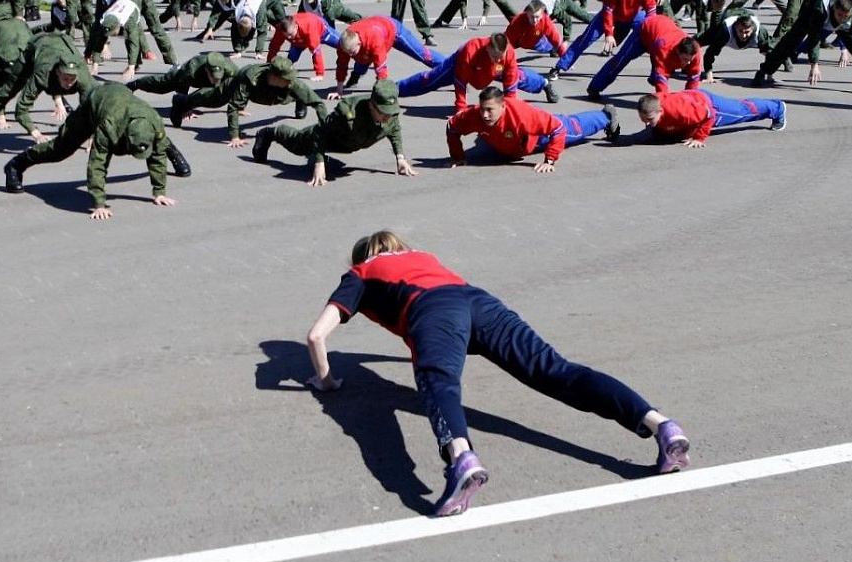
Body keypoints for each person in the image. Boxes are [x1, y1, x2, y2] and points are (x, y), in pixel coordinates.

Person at [300, 229, 690, 515]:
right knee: (556, 370)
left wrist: (327, 381)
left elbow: (316, 337)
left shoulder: (360, 273)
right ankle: (661, 425)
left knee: (439, 386)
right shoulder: (422, 256)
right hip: (479, 302)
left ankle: (461, 459)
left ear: (360, 257)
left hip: (432, 313)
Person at [1, 80, 192, 219]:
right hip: (95, 103)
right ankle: (17, 164)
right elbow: (98, 163)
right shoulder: (110, 127)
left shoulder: (155, 124)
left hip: (119, 97)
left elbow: (157, 157)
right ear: (125, 136)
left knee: (160, 150)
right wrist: (99, 203)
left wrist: (159, 191)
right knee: (60, 150)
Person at [251, 78, 412, 185]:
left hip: (349, 143)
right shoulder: (348, 114)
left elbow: (394, 130)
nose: (387, 116)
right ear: (371, 105)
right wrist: (319, 163)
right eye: (383, 112)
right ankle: (269, 133)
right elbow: (320, 133)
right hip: (330, 136)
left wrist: (400, 158)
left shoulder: (390, 115)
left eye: (390, 112)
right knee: (297, 145)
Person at [444, 86, 621, 171]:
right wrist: (458, 156)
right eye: (482, 109)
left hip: (536, 138)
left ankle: (605, 116)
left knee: (572, 127)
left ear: (503, 107)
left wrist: (549, 160)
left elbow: (557, 129)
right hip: (506, 144)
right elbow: (452, 127)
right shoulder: (475, 114)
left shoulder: (522, 115)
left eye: (489, 110)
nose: (484, 115)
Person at [749, 0, 852, 89]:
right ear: (834, 8)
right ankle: (764, 72)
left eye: (845, 16)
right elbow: (814, 38)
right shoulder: (820, 9)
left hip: (833, 15)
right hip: (810, 11)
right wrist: (814, 65)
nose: (842, 19)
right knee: (790, 41)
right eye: (840, 15)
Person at [170, 55, 328, 144]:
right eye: (287, 79)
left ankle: (300, 100)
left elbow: (319, 104)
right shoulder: (249, 77)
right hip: (242, 87)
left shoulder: (291, 83)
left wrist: (325, 131)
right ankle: (182, 101)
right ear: (273, 76)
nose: (291, 81)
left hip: (275, 95)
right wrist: (234, 136)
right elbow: (233, 106)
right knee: (213, 99)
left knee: (297, 93)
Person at [0, 33, 90, 145]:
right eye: (65, 78)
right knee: (9, 89)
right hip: (34, 49)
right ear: (58, 73)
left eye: (72, 79)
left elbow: (93, 108)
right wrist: (36, 134)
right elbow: (21, 109)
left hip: (62, 43)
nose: (69, 83)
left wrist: (93, 137)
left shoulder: (83, 75)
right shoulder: (43, 73)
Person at [555, 0, 655, 75]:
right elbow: (608, 8)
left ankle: (657, 72)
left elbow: (650, 9)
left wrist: (651, 29)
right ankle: (560, 67)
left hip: (633, 15)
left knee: (651, 36)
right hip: (612, 14)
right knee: (586, 38)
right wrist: (608, 33)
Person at [398, 32, 555, 108]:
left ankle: (544, 84)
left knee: (521, 76)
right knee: (430, 79)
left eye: (501, 56)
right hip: (460, 65)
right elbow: (460, 82)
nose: (499, 60)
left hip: (489, 71)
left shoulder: (508, 55)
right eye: (495, 56)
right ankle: (393, 89)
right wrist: (461, 108)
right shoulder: (471, 50)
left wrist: (510, 108)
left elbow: (511, 84)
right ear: (487, 48)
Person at [585, 12, 701, 97]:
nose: (688, 63)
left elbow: (694, 77)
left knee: (661, 63)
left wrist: (690, 100)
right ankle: (595, 87)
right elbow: (662, 77)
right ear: (677, 51)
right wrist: (664, 103)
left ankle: (652, 77)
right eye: (685, 59)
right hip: (645, 31)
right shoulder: (664, 48)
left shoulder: (695, 51)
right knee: (621, 58)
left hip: (660, 34)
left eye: (690, 59)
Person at [636, 89, 786, 146]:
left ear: (660, 110)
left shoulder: (682, 111)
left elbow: (709, 115)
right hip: (692, 98)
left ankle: (777, 108)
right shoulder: (651, 102)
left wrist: (699, 138)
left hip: (709, 105)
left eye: (649, 119)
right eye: (643, 119)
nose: (646, 123)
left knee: (743, 111)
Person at [334, 14, 437, 89]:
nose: (349, 55)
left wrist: (380, 90)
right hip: (372, 29)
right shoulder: (344, 43)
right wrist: (339, 88)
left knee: (421, 53)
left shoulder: (374, 40)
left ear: (359, 43)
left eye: (351, 52)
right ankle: (356, 75)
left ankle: (448, 65)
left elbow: (381, 67)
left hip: (392, 29)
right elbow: (341, 65)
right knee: (362, 56)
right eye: (347, 52)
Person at [698, 9, 773, 80]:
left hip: (748, 14)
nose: (744, 36)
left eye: (747, 32)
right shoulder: (725, 31)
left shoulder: (760, 33)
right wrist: (709, 74)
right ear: (735, 27)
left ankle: (784, 60)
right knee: (695, 43)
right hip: (728, 16)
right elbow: (710, 52)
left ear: (752, 29)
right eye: (740, 31)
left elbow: (769, 53)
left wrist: (769, 74)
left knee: (773, 49)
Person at [267, 12, 340, 78]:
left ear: (296, 26)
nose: (288, 37)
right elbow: (274, 47)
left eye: (290, 34)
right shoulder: (281, 29)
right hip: (299, 40)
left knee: (344, 44)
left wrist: (319, 74)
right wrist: (268, 66)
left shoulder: (309, 27)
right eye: (286, 36)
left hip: (322, 32)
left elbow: (316, 51)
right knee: (291, 59)